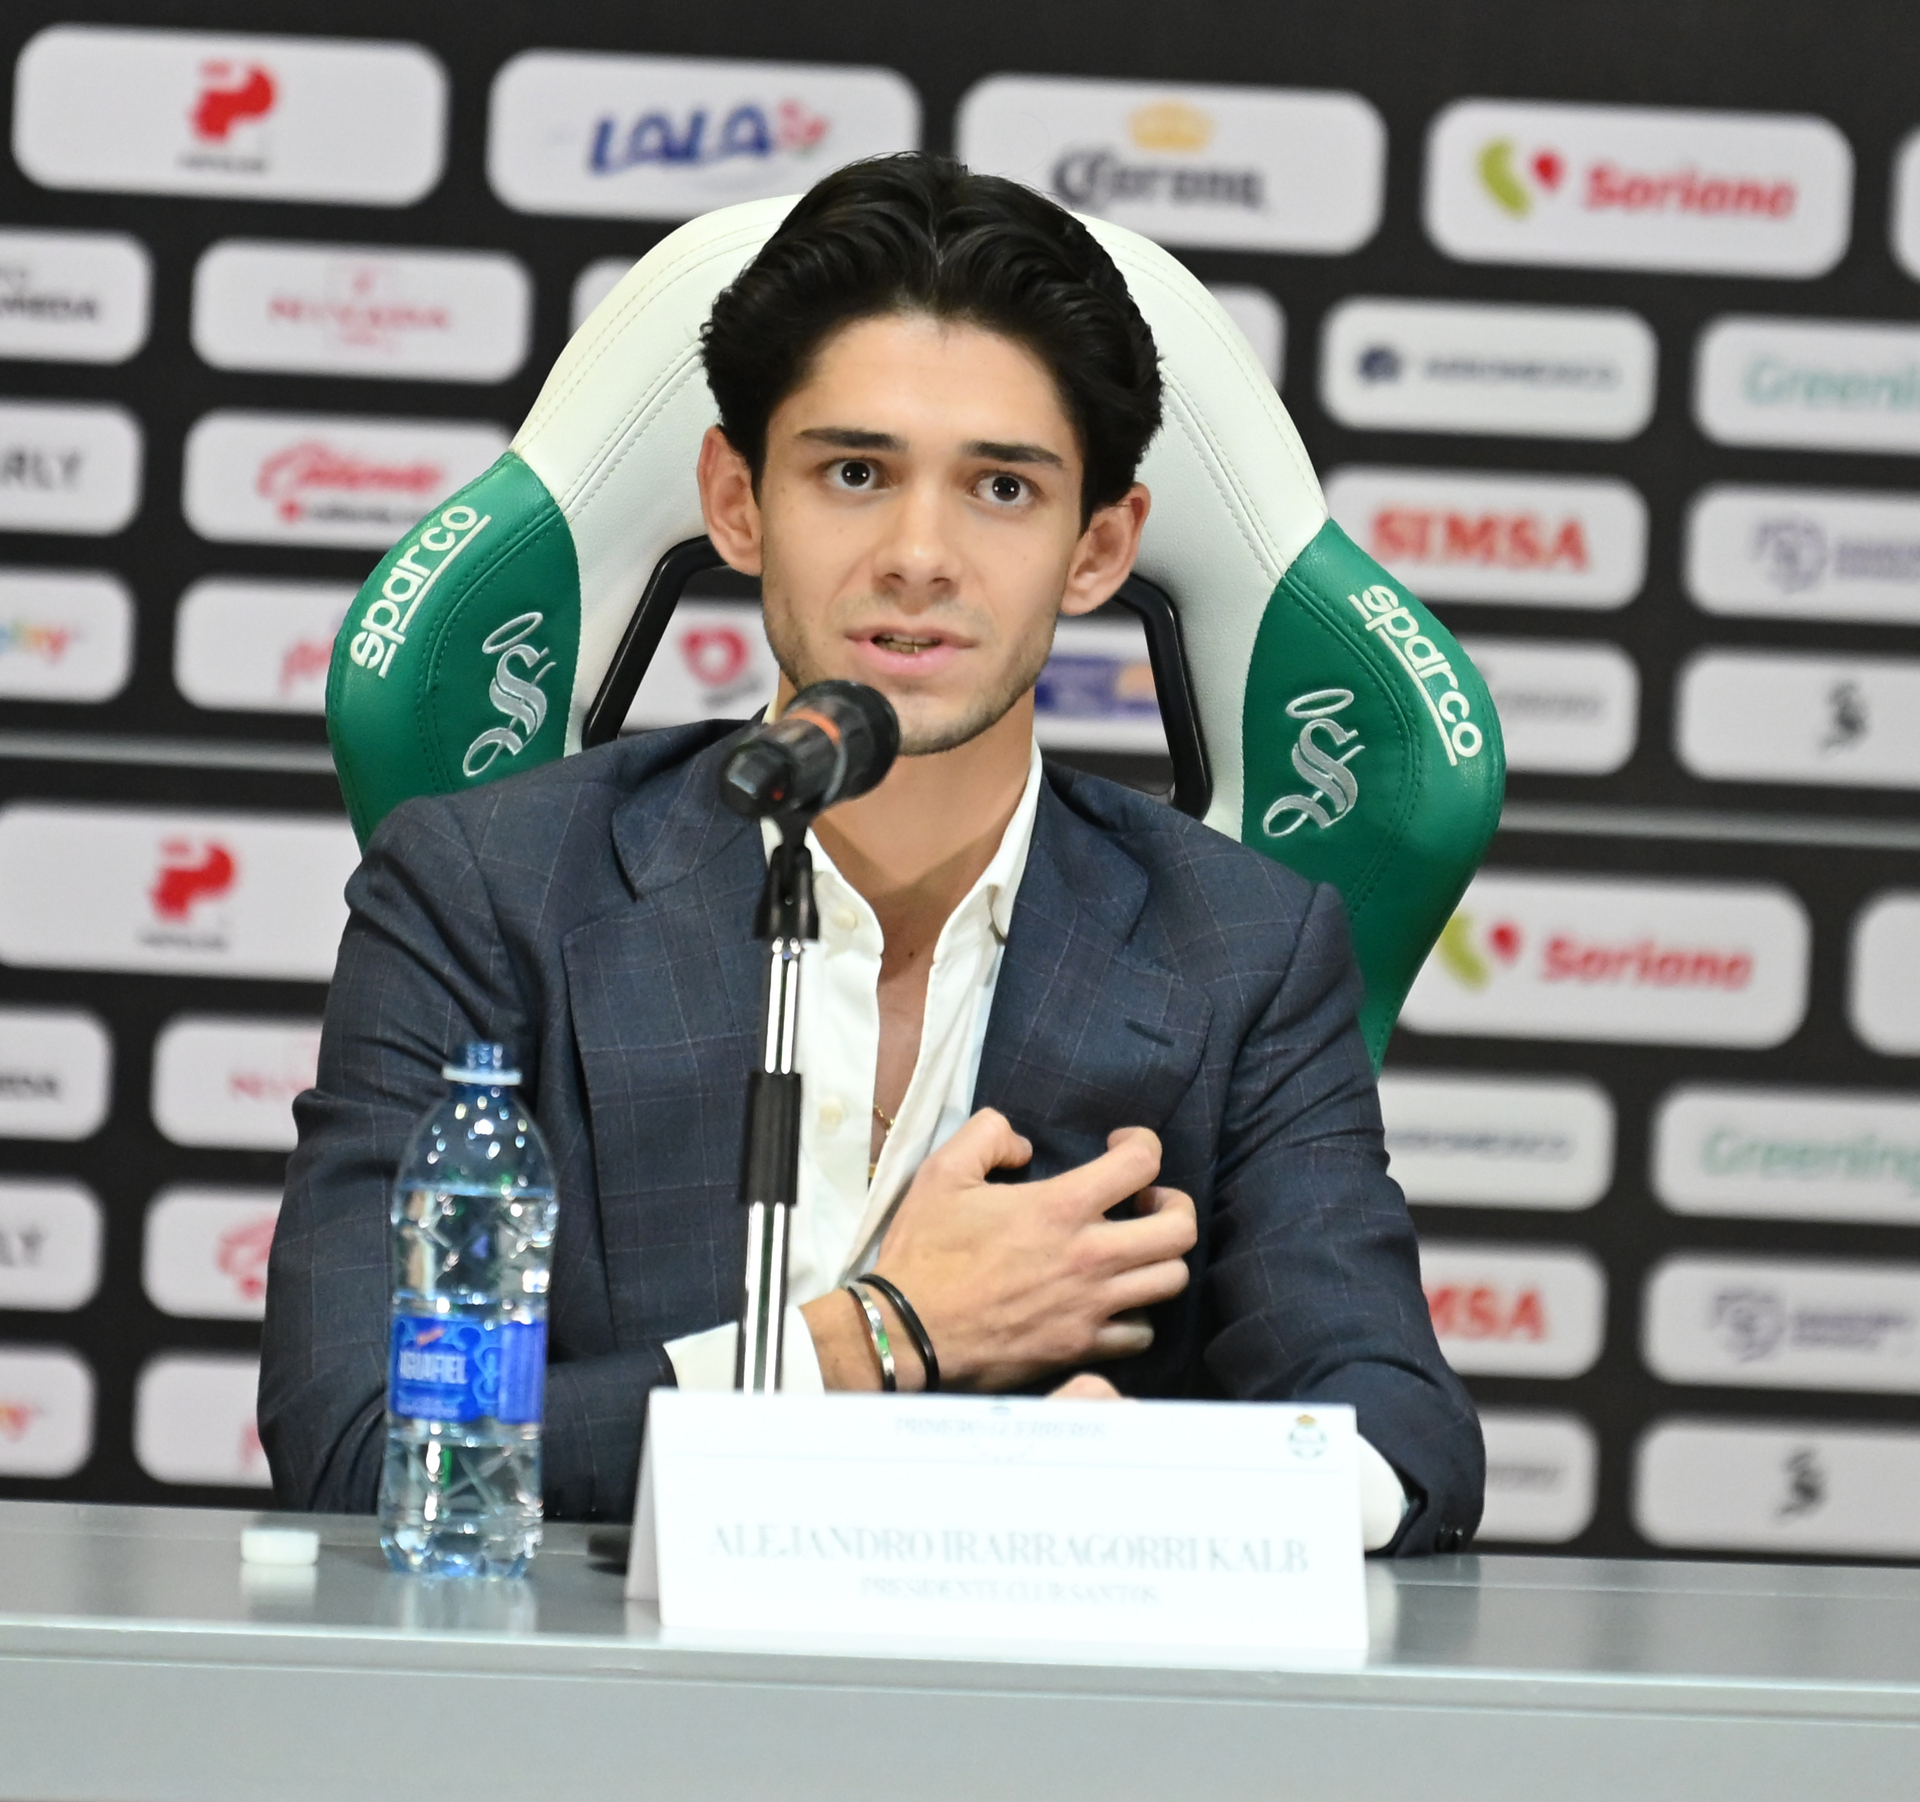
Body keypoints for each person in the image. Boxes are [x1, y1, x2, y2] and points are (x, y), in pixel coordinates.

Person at [261, 153, 1481, 1555]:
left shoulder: (1243, 946)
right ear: (737, 502)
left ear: (1099, 547)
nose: (919, 554)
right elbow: (360, 1439)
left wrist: (1132, 1487)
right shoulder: (486, 887)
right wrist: (878, 1337)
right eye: (854, 472)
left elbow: (1404, 1438)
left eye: (1002, 488)